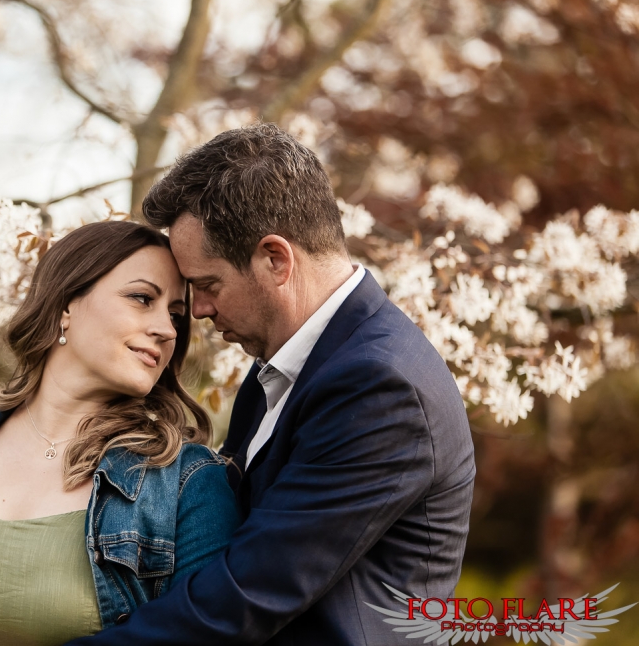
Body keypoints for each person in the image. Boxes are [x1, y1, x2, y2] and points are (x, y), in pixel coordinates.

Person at [66, 124, 476, 645]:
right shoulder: (282, 371)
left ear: (275, 259)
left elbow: (249, 591)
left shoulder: (379, 387)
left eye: (208, 285)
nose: (199, 310)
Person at [0, 220, 240, 646]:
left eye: (175, 315)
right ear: (65, 305)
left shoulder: (187, 483)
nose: (167, 329)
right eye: (142, 298)